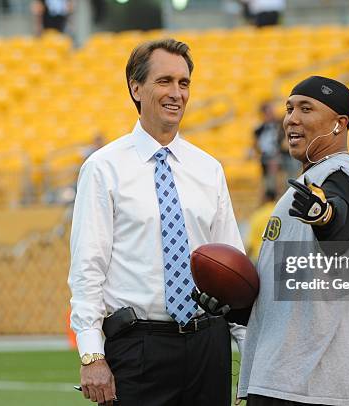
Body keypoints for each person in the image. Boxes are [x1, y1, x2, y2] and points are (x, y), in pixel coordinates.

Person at [68, 38, 246, 406]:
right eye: (164, 81)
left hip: (207, 346)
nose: (176, 93)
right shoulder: (103, 168)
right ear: (136, 87)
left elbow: (233, 268)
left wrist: (251, 349)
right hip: (139, 348)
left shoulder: (209, 169)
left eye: (184, 83)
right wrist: (91, 354)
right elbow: (88, 268)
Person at [237, 76, 349, 405]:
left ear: (339, 123)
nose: (291, 118)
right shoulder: (310, 178)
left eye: (306, 109)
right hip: (292, 374)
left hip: (315, 381)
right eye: (289, 108)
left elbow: (339, 221)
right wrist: (235, 306)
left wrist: (323, 214)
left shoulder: (338, 173)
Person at [252, 102, 283, 194]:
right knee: (266, 181)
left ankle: (277, 195)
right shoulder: (259, 128)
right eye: (269, 112)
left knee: (277, 178)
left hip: (277, 156)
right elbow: (255, 143)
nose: (273, 114)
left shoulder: (279, 125)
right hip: (265, 157)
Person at [246, 189, 277, 265]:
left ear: (265, 198)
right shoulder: (280, 213)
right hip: (278, 257)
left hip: (260, 258)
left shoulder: (258, 215)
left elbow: (250, 245)